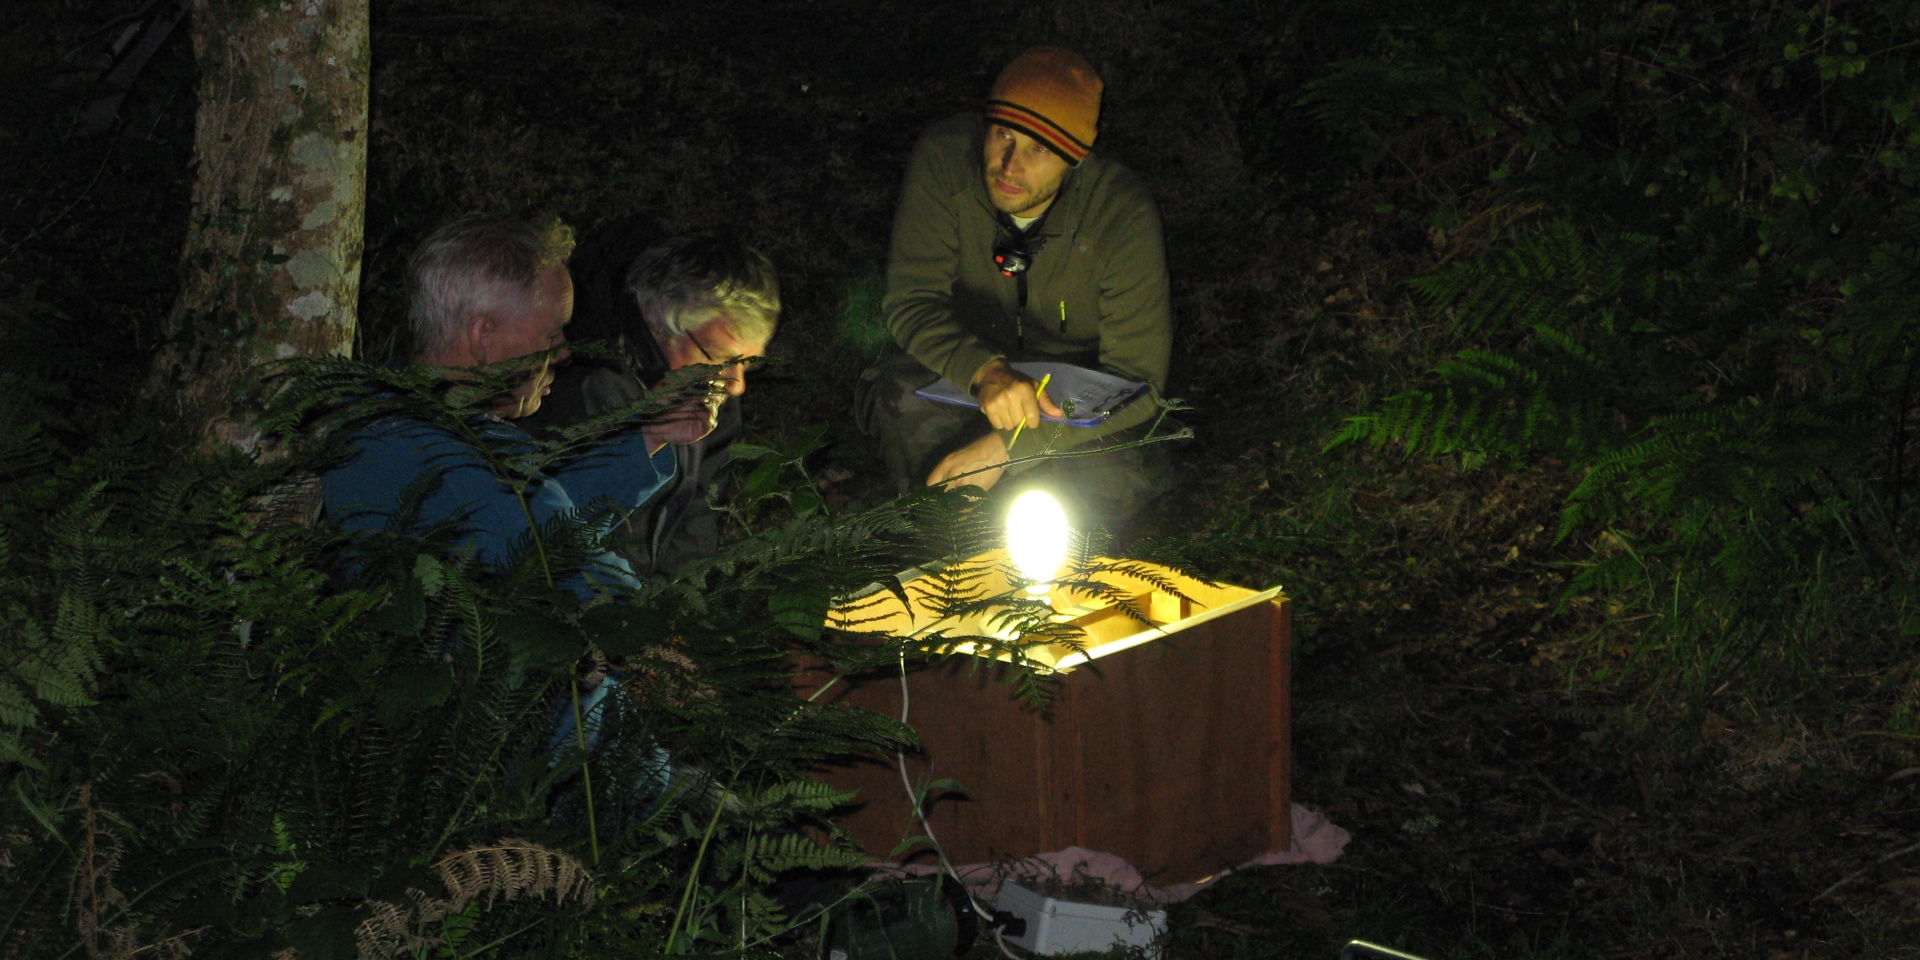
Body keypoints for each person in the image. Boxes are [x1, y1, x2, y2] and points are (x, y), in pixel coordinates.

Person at [858, 46, 1177, 528]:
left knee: (1113, 481)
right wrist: (984, 371)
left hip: (1078, 391)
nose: (1010, 165)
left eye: (1038, 149)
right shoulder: (945, 161)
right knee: (899, 399)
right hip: (970, 368)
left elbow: (1141, 383)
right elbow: (911, 301)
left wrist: (1009, 449)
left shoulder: (1119, 213)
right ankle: (947, 555)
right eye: (1003, 134)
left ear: (1074, 158)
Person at [322, 213, 710, 598]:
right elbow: (583, 579)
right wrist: (662, 637)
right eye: (551, 333)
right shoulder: (455, 455)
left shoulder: (386, 415)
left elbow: (534, 519)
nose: (562, 354)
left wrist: (647, 434)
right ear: (483, 335)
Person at [517, 219, 779, 575]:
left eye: (749, 364)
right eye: (721, 357)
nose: (737, 384)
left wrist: (680, 609)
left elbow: (697, 517)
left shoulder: (707, 394)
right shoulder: (581, 384)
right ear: (658, 324)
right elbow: (550, 536)